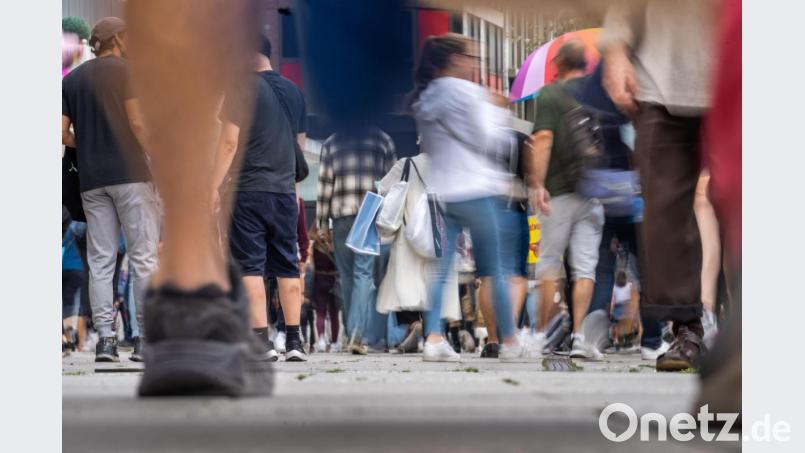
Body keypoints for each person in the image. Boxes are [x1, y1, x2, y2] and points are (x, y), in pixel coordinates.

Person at [601, 0, 715, 371]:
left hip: (739, 68)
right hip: (660, 79)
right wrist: (615, 50)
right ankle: (687, 328)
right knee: (663, 211)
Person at [411, 33, 533, 363]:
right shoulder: (468, 93)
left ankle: (433, 338)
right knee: (496, 270)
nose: (475, 65)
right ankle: (510, 340)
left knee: (441, 269)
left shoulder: (426, 97)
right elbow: (491, 141)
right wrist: (497, 110)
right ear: (456, 60)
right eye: (473, 58)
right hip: (477, 191)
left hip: (444, 192)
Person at [61, 17, 160, 363]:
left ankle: (105, 341)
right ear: (117, 39)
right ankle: (144, 340)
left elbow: (61, 133)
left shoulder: (72, 80)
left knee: (100, 262)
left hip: (92, 182)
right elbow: (138, 123)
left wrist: (88, 145)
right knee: (143, 257)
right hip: (132, 176)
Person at [211, 35, 308, 362]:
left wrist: (212, 186)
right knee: (288, 265)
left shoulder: (240, 87)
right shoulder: (294, 92)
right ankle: (294, 342)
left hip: (248, 189)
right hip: (284, 192)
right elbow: (299, 147)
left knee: (250, 266)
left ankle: (261, 343)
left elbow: (229, 143)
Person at [529, 41, 606, 360]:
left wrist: (537, 184)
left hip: (559, 192)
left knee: (549, 263)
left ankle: (540, 336)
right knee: (585, 268)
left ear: (560, 62)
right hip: (594, 191)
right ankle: (578, 337)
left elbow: (543, 139)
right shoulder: (598, 92)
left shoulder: (550, 94)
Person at [315, 126, 397, 354]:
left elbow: (325, 185)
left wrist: (322, 223)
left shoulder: (332, 142)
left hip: (342, 215)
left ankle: (351, 332)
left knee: (347, 275)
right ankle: (356, 334)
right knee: (363, 273)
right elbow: (393, 185)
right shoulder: (383, 140)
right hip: (370, 212)